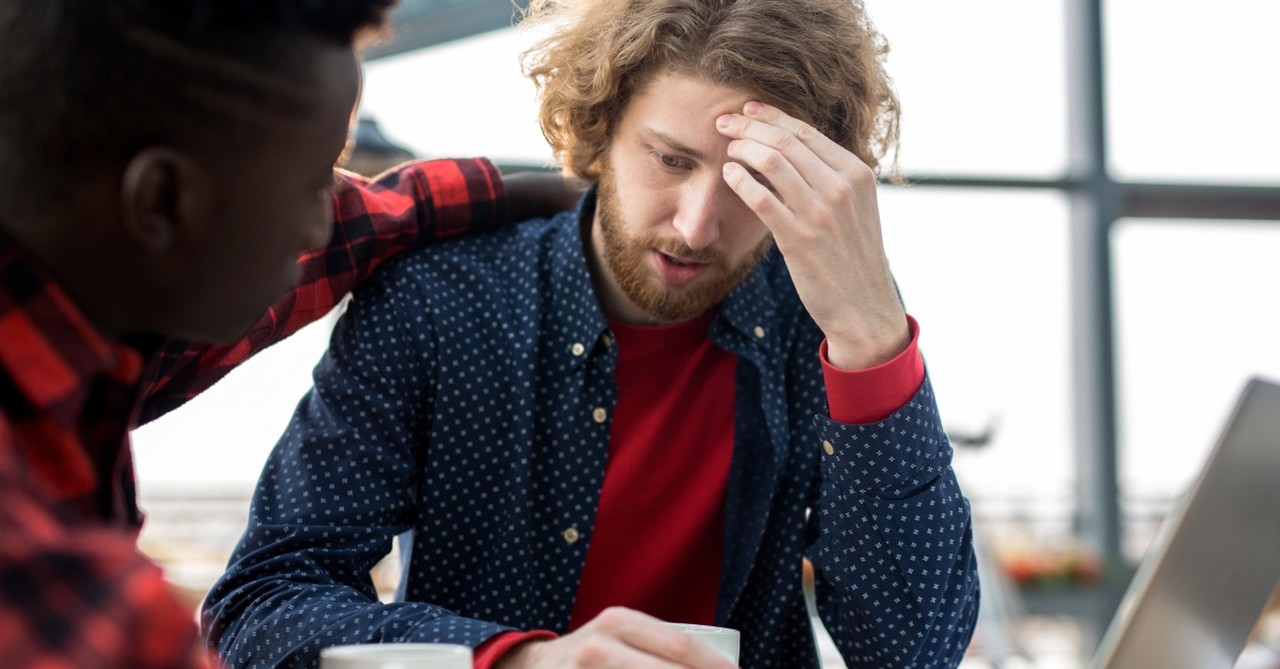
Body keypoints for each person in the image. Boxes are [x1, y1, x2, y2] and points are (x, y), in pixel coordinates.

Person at [203, 0, 980, 667]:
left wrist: (873, 339)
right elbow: (262, 603)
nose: (698, 223)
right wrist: (520, 658)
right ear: (603, 126)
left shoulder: (832, 323)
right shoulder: (440, 300)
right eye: (671, 159)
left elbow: (915, 652)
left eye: (755, 180)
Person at [0, 1, 577, 667]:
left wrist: (526, 194)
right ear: (162, 202)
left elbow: (355, 232)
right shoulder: (71, 604)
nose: (318, 227)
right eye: (311, 187)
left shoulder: (95, 318)